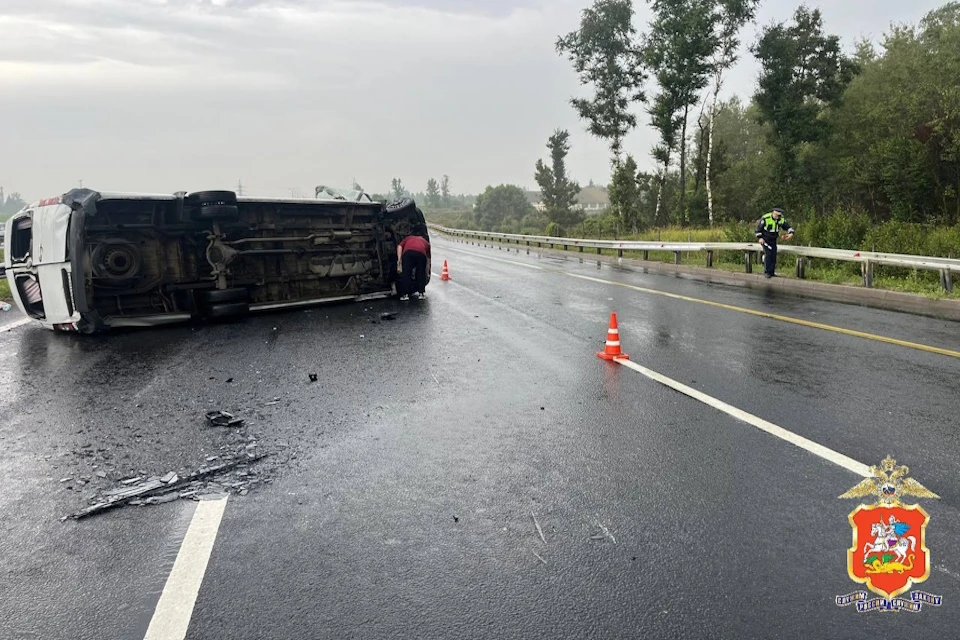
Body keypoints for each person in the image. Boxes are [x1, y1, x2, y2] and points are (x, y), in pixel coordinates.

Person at [755, 207, 795, 278]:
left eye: (779, 216)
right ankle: (767, 272)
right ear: (773, 213)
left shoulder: (781, 219)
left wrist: (791, 233)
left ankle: (772, 272)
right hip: (765, 239)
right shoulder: (766, 218)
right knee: (768, 254)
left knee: (773, 254)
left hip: (773, 240)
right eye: (777, 215)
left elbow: (788, 227)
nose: (778, 217)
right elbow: (758, 230)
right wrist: (760, 238)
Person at [397, 227, 431, 300]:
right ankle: (421, 294)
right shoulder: (425, 242)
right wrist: (427, 272)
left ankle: (405, 295)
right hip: (421, 254)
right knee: (420, 273)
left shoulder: (408, 238)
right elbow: (428, 260)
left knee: (406, 273)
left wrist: (399, 260)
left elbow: (399, 246)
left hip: (408, 253)